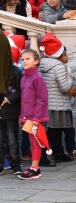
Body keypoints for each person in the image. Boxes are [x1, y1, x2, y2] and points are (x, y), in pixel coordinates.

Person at [39, 33, 74, 162]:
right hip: (57, 103)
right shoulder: (59, 66)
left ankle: (53, 153)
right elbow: (64, 87)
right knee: (55, 131)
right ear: (59, 55)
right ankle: (52, 154)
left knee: (51, 130)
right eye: (65, 54)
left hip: (46, 103)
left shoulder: (43, 64)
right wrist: (71, 80)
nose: (67, 56)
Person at [18, 49, 48, 180]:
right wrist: (21, 116)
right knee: (32, 142)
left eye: (27, 59)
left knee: (36, 143)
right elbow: (24, 100)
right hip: (27, 117)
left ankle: (35, 168)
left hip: (35, 118)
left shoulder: (37, 78)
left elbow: (42, 99)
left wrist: (37, 118)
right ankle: (34, 167)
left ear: (36, 61)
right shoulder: (24, 78)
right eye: (23, 59)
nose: (24, 61)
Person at [0, 33, 24, 176]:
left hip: (11, 111)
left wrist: (9, 99)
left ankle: (16, 165)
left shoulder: (15, 72)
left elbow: (20, 91)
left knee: (13, 140)